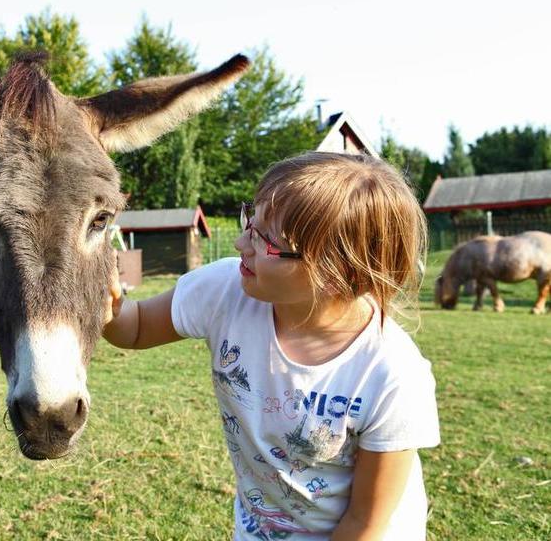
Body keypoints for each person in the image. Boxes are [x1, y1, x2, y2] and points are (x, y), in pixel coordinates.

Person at [103, 152, 440, 540]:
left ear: (337, 272)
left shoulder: (392, 376)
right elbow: (137, 327)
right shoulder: (225, 289)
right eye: (251, 221)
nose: (241, 242)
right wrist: (110, 305)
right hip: (261, 528)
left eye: (266, 239)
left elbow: (365, 524)